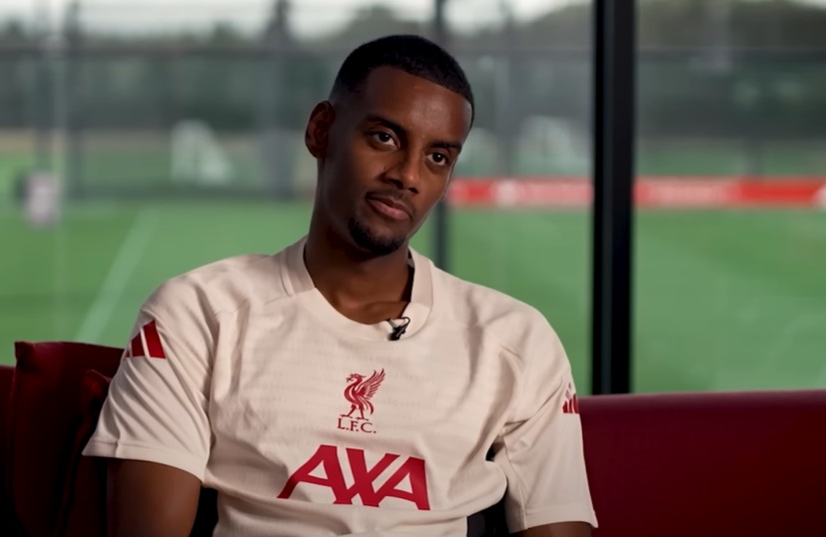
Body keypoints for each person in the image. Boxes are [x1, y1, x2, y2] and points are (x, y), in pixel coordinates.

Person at [82, 34, 598, 537]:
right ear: (321, 131)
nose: (408, 175)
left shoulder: (518, 342)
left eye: (437, 157)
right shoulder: (195, 314)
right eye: (385, 138)